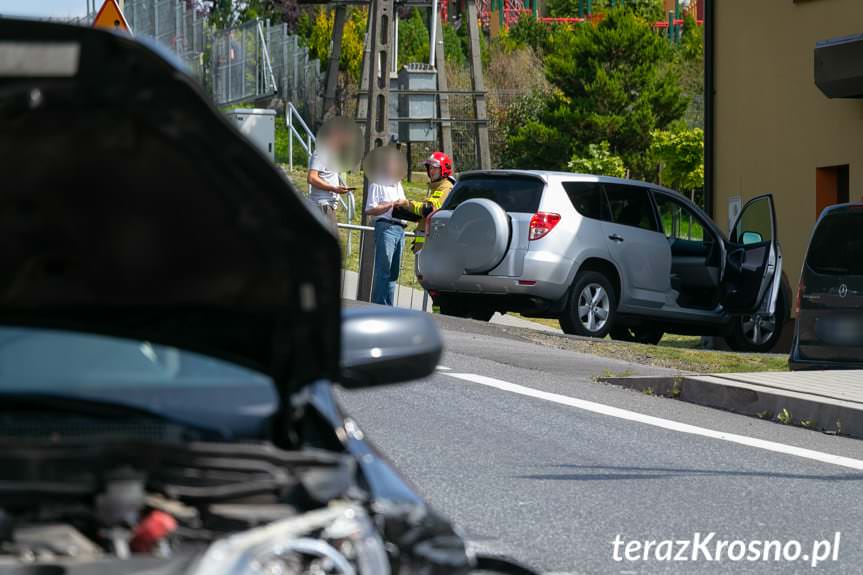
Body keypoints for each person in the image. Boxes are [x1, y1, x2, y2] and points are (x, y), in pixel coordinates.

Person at [365, 151, 408, 306]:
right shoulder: (377, 183)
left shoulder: (398, 184)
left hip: (400, 228)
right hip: (386, 228)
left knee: (393, 273)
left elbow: (402, 203)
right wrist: (390, 205)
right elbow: (369, 209)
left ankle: (388, 307)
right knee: (384, 271)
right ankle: (377, 305)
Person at [393, 151, 455, 255]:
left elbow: (429, 209)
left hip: (433, 246)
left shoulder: (445, 187)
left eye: (435, 168)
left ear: (444, 169)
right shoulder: (435, 187)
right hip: (425, 246)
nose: (431, 171)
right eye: (430, 168)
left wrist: (407, 204)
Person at [307, 147, 351, 232]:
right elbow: (311, 178)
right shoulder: (321, 153)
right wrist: (334, 189)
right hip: (322, 206)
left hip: (327, 206)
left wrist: (339, 187)